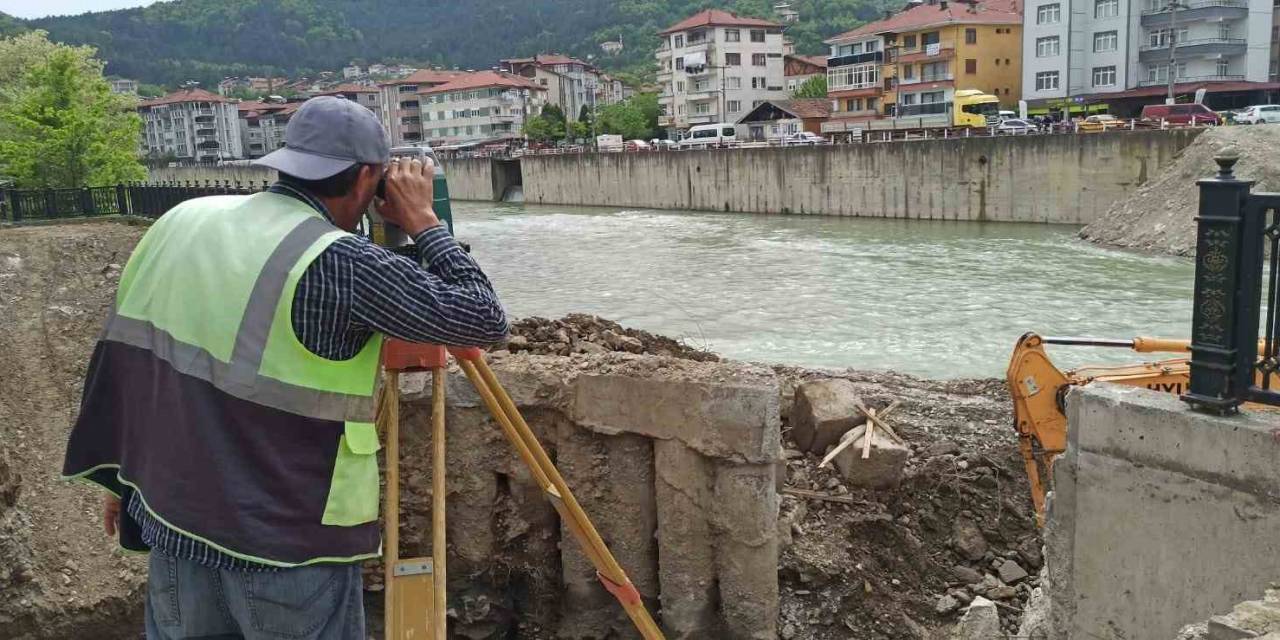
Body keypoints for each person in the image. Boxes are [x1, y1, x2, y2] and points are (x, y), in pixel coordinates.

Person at [62, 96, 508, 639]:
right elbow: (483, 319)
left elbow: (132, 359)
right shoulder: (342, 262)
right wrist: (424, 222)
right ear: (367, 177)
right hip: (286, 549)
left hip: (172, 520)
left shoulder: (182, 220)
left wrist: (121, 476)